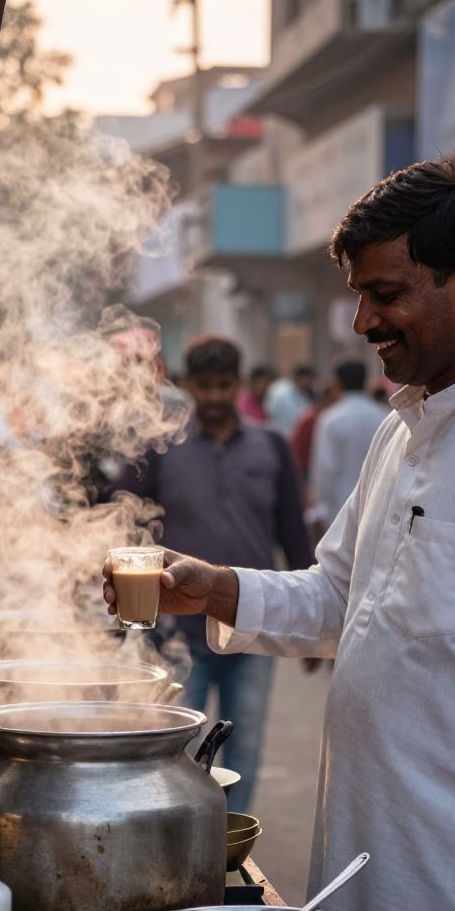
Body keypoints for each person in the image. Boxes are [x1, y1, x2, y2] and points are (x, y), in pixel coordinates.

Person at [103, 157, 455, 911]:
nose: (361, 323)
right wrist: (214, 581)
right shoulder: (405, 428)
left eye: (384, 294)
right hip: (376, 866)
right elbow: (338, 594)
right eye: (357, 297)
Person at [111, 335, 312, 812]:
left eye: (225, 385)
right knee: (179, 747)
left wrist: (308, 624)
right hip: (182, 632)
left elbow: (292, 532)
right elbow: (121, 515)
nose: (217, 396)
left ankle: (229, 848)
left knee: (244, 750)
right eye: (206, 385)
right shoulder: (161, 447)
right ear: (188, 385)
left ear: (240, 383)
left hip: (253, 627)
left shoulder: (272, 447)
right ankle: (181, 840)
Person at [307, 360, 389, 532]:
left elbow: (325, 470)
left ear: (338, 383)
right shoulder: (384, 416)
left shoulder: (331, 419)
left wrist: (320, 509)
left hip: (339, 509)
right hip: (378, 507)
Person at [264, 363, 315, 436]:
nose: (308, 383)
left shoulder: (306, 395)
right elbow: (269, 413)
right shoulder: (279, 390)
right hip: (278, 435)